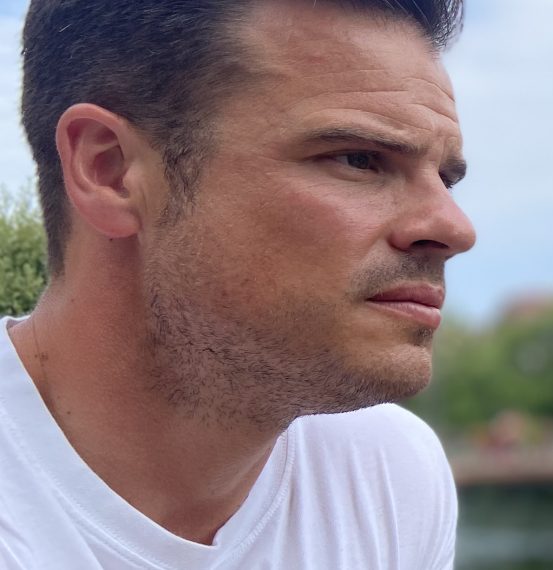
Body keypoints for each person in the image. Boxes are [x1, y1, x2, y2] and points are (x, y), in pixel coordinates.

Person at [0, 0, 476, 568]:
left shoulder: (390, 474)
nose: (455, 228)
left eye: (445, 178)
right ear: (111, 171)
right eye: (359, 159)